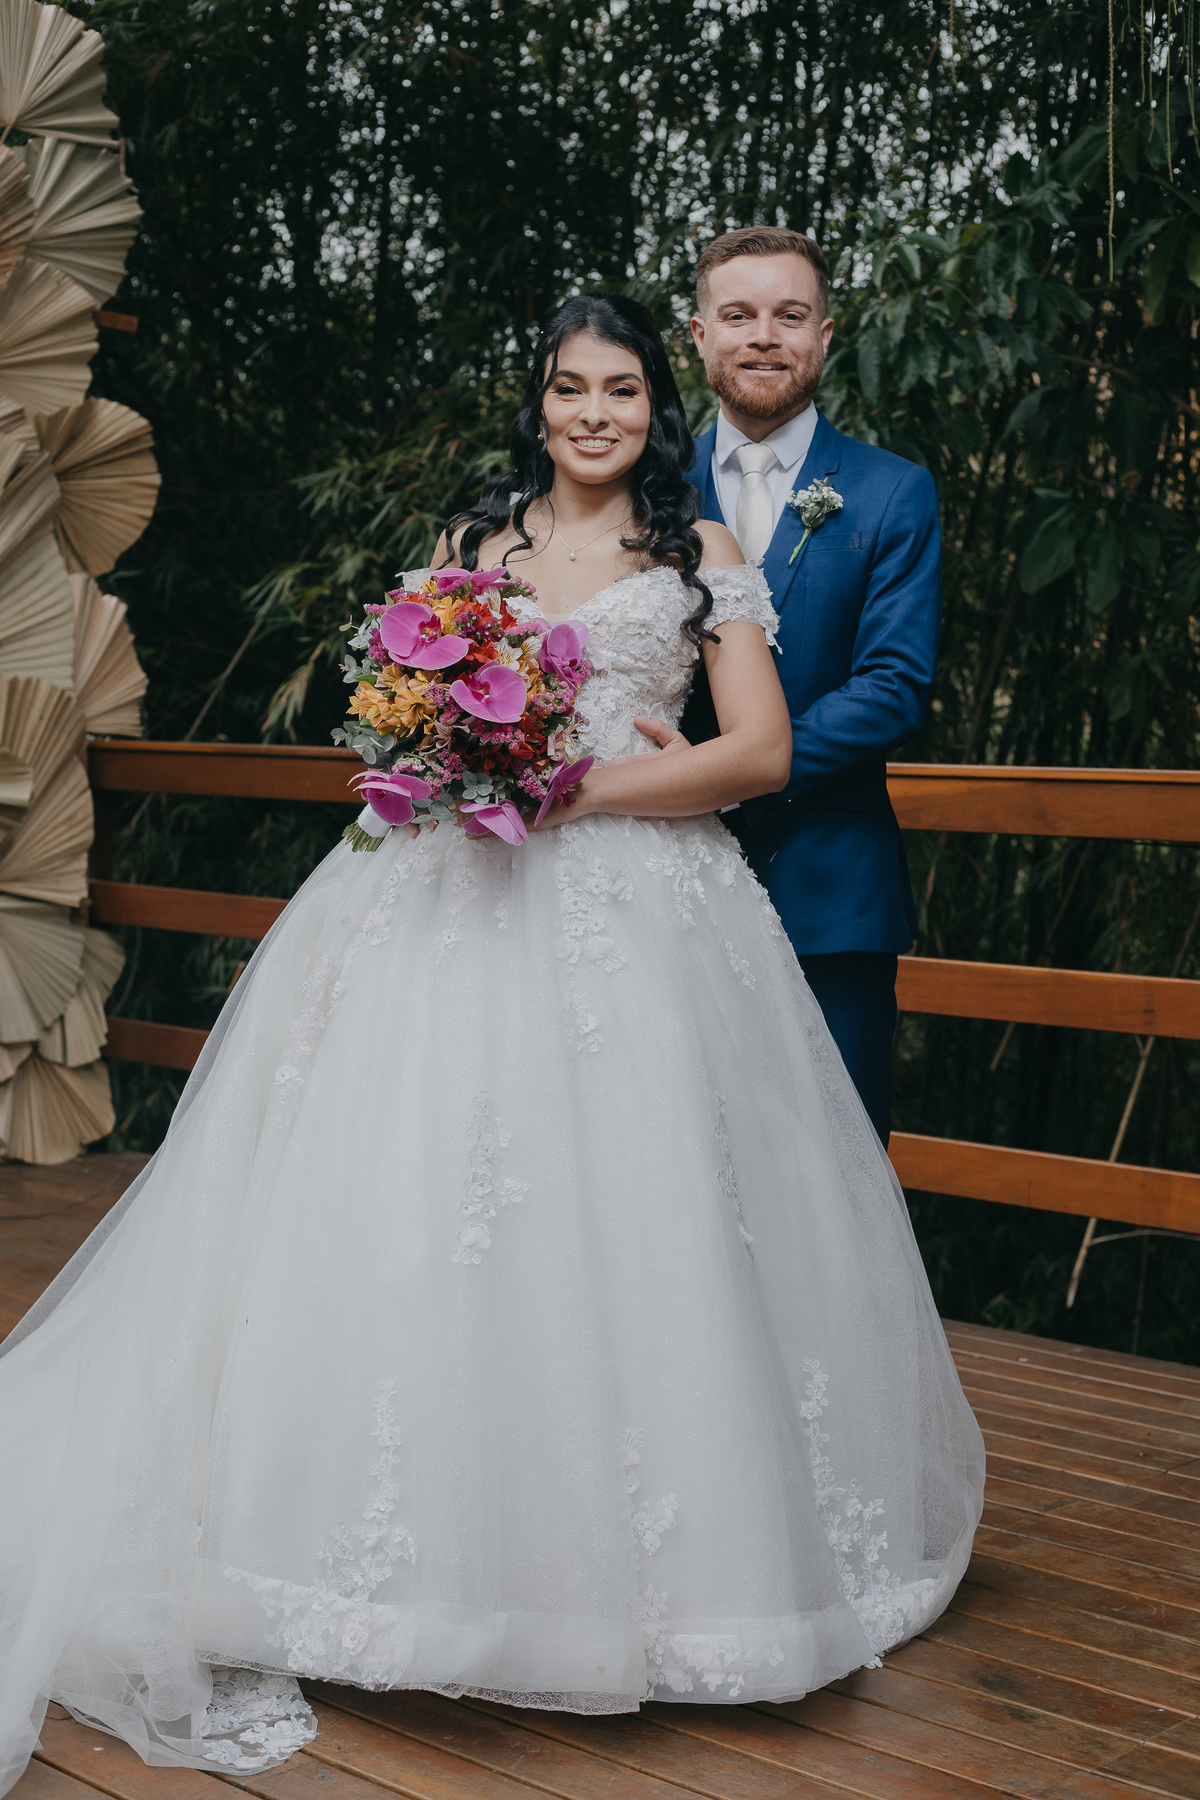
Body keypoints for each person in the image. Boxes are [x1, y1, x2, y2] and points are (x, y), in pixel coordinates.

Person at [0, 294, 982, 1797]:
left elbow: (759, 750)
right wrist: (439, 754)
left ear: (657, 406)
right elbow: (398, 720)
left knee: (641, 1221)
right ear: (540, 402)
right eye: (572, 389)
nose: (597, 415)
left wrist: (574, 790)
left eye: (625, 391)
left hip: (638, 916)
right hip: (447, 898)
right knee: (402, 1206)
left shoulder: (699, 552)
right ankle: (351, 1558)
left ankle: (642, 1577)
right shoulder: (471, 548)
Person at [680, 226, 942, 1147]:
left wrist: (725, 773)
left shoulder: (892, 490)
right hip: (658, 885)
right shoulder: (640, 489)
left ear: (824, 335)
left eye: (789, 315)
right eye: (738, 315)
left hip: (832, 892)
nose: (764, 336)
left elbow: (894, 685)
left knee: (836, 1165)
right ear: (700, 336)